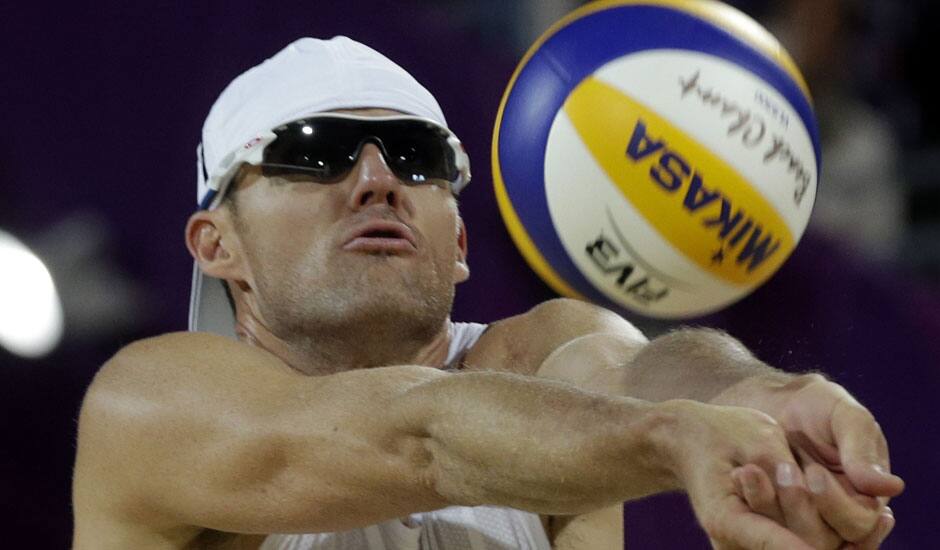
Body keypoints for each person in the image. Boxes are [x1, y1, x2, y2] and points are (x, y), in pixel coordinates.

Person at [71, 37, 903, 550]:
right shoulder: (149, 405)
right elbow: (418, 437)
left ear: (460, 243)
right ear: (217, 246)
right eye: (314, 152)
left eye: (416, 156)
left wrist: (758, 396)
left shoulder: (536, 356)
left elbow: (627, 373)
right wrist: (674, 437)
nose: (375, 180)